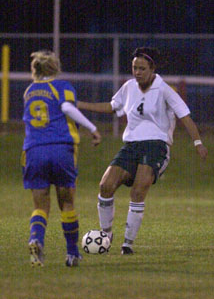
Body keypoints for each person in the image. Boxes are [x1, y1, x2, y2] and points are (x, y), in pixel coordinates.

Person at [77, 47, 208, 255]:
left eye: (142, 68)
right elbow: (112, 106)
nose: (137, 72)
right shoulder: (129, 87)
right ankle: (106, 235)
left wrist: (197, 142)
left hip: (156, 145)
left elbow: (185, 117)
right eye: (134, 68)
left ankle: (127, 244)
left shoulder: (164, 89)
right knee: (105, 185)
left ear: (152, 69)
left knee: (138, 190)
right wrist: (79, 104)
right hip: (131, 145)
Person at [21, 50, 101, 267]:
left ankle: (36, 239)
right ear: (55, 68)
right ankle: (72, 253)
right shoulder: (62, 86)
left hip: (34, 151)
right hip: (60, 149)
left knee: (40, 205)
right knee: (66, 202)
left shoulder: (29, 91)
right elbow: (66, 107)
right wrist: (92, 127)